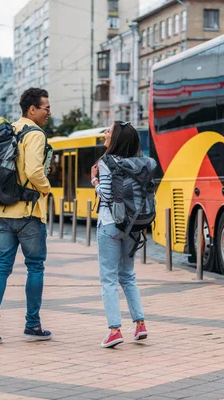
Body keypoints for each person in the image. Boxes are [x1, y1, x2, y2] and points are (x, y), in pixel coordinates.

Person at [0, 87, 52, 344]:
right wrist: (47, 189)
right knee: (35, 267)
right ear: (32, 109)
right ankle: (32, 325)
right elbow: (34, 171)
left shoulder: (9, 129)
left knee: (2, 266)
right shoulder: (35, 134)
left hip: (1, 210)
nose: (48, 112)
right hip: (28, 213)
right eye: (46, 108)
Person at [90, 121, 147, 348]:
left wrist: (94, 180)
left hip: (110, 224)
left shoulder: (106, 162)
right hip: (133, 225)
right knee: (128, 276)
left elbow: (106, 195)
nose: (105, 133)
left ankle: (114, 330)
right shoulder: (139, 162)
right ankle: (140, 324)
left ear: (116, 140)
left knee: (109, 279)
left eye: (108, 132)